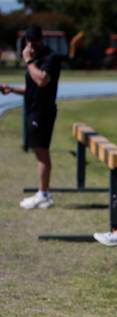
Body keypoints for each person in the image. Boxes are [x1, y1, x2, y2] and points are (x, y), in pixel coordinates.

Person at [1, 25, 62, 209]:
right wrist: (12, 89)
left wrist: (28, 61)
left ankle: (43, 194)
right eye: (30, 43)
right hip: (33, 109)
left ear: (41, 40)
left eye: (35, 43)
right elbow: (32, 88)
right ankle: (43, 192)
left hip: (43, 112)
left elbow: (42, 80)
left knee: (42, 152)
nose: (32, 47)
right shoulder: (35, 59)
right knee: (38, 151)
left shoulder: (50, 58)